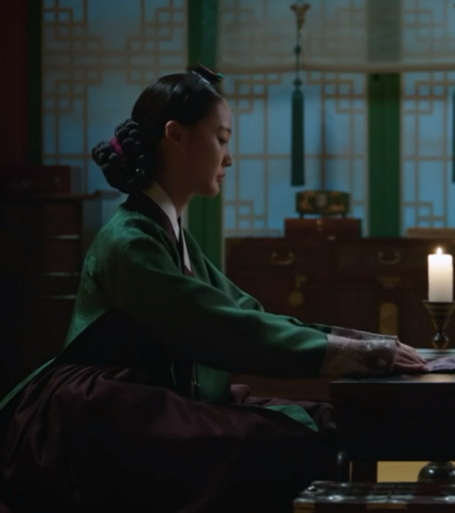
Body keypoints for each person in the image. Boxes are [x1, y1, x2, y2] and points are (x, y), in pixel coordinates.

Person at [0, 66, 429, 513]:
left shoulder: (168, 232)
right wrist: (364, 354)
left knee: (329, 422)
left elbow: (246, 312)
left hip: (163, 393)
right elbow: (221, 328)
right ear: (176, 135)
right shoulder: (130, 241)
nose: (229, 159)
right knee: (283, 443)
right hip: (108, 408)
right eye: (221, 139)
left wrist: (367, 345)